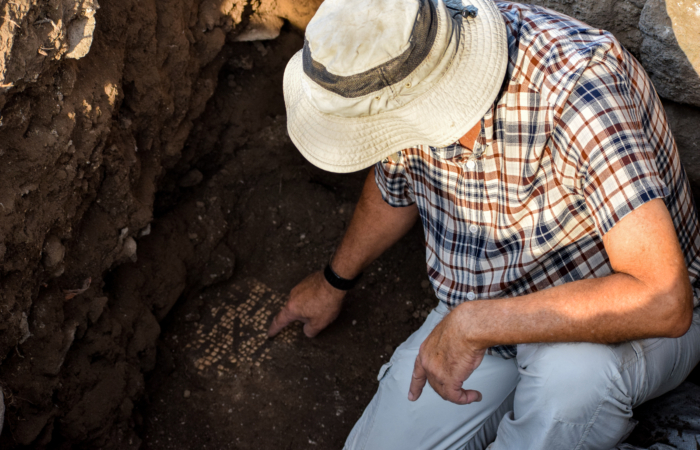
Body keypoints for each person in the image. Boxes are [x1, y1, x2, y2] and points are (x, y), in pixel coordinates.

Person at [267, 0, 700, 447]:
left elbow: (662, 299)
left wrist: (475, 323)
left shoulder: (577, 86)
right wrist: (334, 280)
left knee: (570, 382)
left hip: (609, 318)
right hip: (481, 309)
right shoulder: (394, 54)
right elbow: (395, 185)